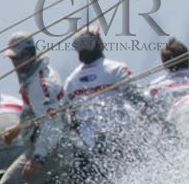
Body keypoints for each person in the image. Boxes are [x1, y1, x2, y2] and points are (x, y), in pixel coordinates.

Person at [61, 25, 150, 169]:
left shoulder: (71, 80)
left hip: (85, 148)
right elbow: (137, 99)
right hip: (116, 140)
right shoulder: (116, 69)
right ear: (98, 44)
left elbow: (65, 115)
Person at [0, 32, 74, 184]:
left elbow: (53, 125)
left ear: (28, 54)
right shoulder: (32, 75)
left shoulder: (40, 84)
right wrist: (18, 128)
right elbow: (37, 114)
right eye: (12, 59)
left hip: (51, 150)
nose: (14, 63)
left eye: (17, 58)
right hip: (53, 146)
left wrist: (37, 159)